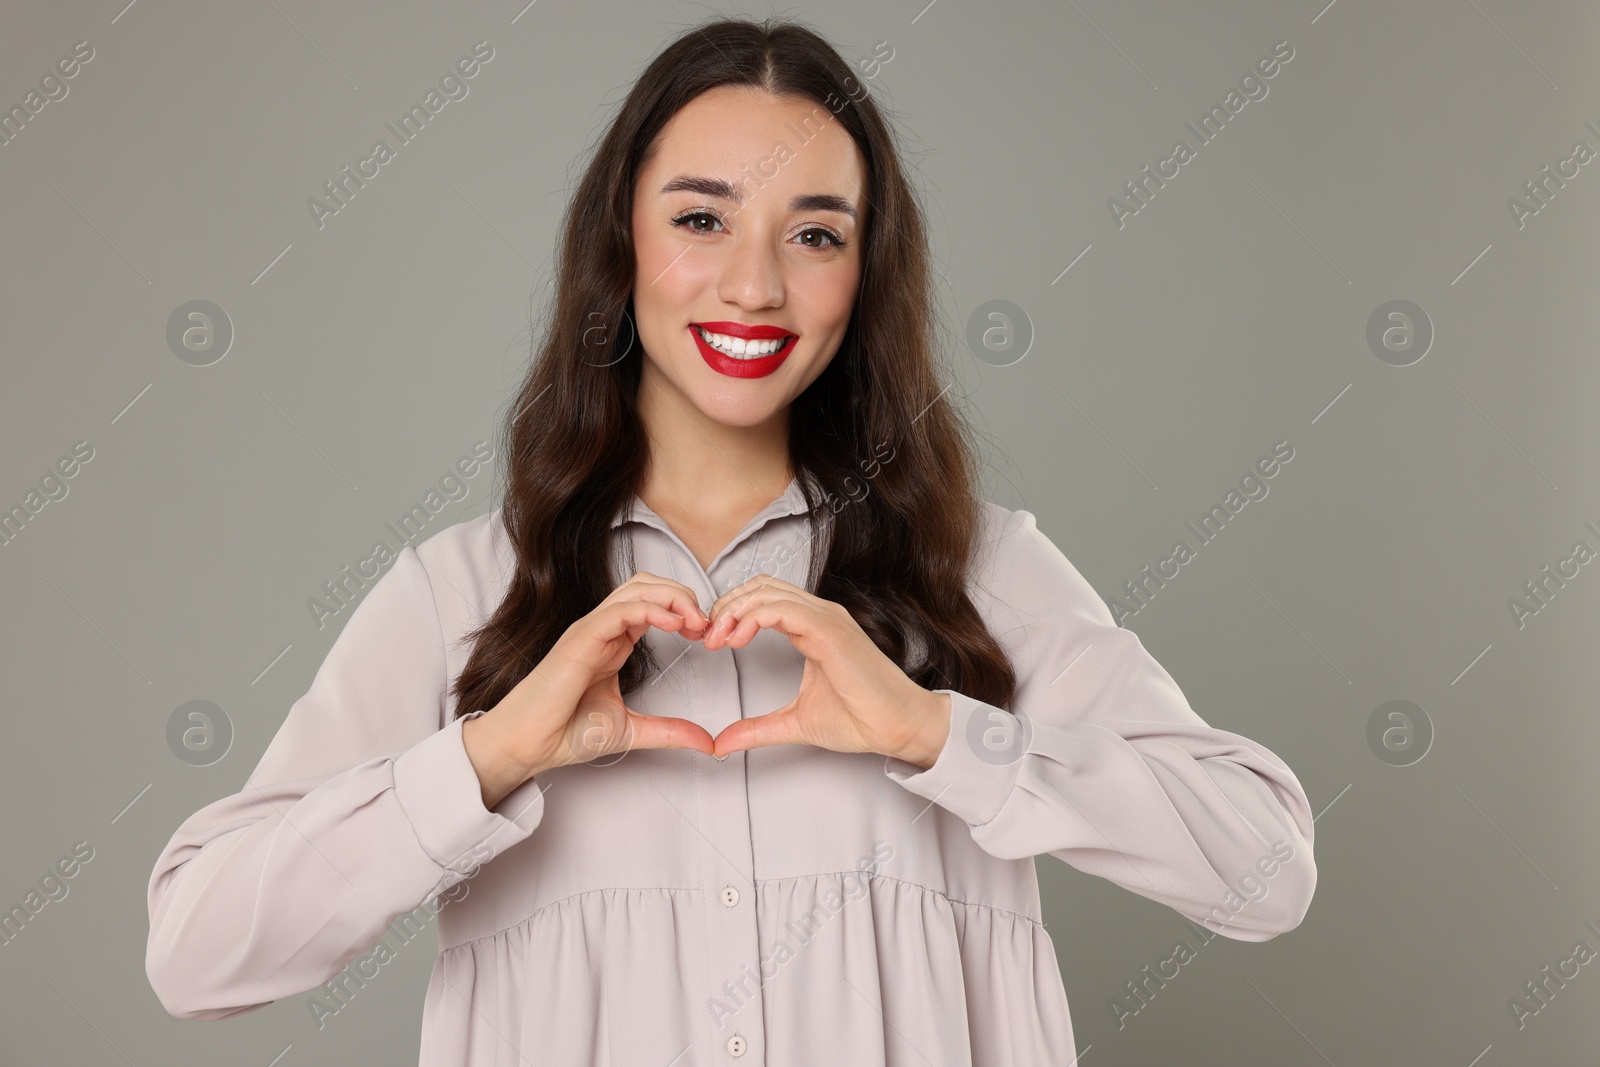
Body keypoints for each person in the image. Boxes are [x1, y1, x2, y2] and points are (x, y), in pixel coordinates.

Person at [145, 16, 1317, 1065]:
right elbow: (195, 955)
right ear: (623, 244)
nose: (752, 283)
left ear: (864, 274)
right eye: (702, 219)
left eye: (815, 233)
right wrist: (486, 758)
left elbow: (1267, 868)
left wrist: (937, 733)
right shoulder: (462, 590)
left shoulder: (977, 571)